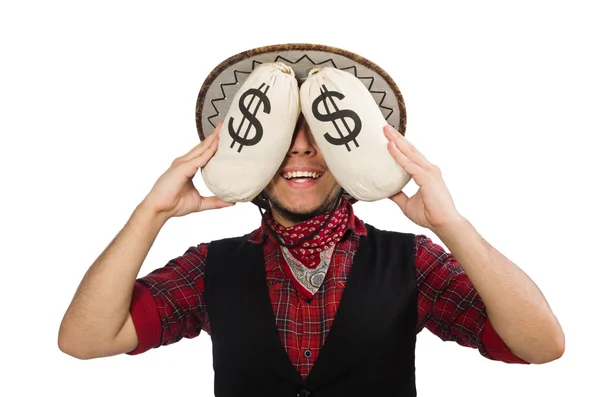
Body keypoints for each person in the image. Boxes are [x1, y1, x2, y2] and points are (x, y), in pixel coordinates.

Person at [58, 44, 564, 396]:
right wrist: (151, 213)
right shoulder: (209, 267)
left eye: (318, 133)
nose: (300, 147)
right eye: (280, 137)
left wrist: (450, 224)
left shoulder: (412, 262)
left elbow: (541, 345)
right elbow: (86, 340)